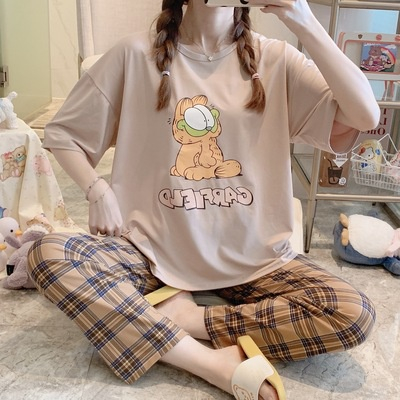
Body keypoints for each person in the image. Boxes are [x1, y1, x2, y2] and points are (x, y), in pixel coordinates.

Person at [27, 1, 380, 399]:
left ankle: (186, 320)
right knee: (50, 254)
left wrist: (301, 18)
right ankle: (209, 363)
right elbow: (63, 134)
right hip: (150, 254)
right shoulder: (133, 55)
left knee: (351, 312)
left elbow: (365, 116)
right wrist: (98, 190)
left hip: (256, 259)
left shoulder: (276, 59)